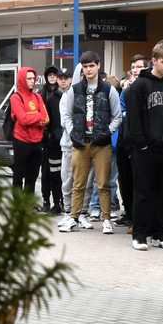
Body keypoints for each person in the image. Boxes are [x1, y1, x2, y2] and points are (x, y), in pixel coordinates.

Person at [124, 42, 163, 249]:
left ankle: (161, 234)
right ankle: (140, 234)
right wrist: (140, 144)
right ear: (154, 61)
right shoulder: (140, 85)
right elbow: (134, 118)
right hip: (145, 148)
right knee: (143, 192)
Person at [62, 52, 120, 232]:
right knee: (78, 183)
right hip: (80, 143)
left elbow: (117, 117)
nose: (88, 69)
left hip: (101, 144)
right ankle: (74, 217)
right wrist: (74, 133)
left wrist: (105, 133)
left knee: (103, 183)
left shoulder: (108, 89)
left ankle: (106, 219)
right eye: (85, 66)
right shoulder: (75, 89)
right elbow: (67, 114)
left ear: (98, 65)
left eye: (91, 66)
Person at [6, 67, 50, 198]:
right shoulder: (16, 97)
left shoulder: (38, 96)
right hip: (21, 140)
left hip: (37, 141)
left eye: (33, 78)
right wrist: (37, 115)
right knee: (18, 175)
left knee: (33, 176)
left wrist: (32, 115)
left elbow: (46, 119)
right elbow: (23, 119)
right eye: (29, 78)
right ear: (22, 80)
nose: (32, 81)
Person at [42, 65, 70, 213]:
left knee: (70, 175)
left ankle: (69, 204)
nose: (63, 81)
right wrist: (49, 134)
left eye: (66, 78)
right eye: (61, 78)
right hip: (54, 144)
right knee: (55, 174)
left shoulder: (76, 96)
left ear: (70, 80)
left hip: (72, 143)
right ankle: (57, 203)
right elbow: (47, 121)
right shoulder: (51, 99)